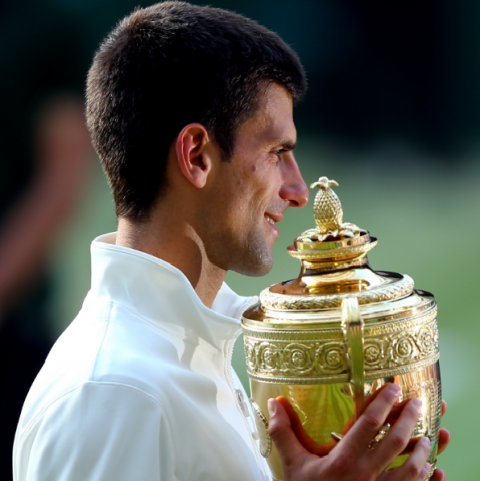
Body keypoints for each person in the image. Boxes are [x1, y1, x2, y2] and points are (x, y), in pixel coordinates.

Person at [13, 2, 450, 480]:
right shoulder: (117, 392)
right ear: (197, 155)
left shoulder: (186, 351)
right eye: (277, 152)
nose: (300, 191)